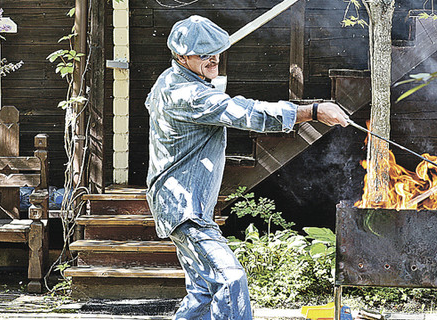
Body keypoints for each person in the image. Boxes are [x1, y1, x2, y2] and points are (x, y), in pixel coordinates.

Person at [145, 15, 350, 319]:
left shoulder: (174, 79)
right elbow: (246, 114)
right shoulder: (187, 94)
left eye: (216, 51)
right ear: (181, 55)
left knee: (203, 292)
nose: (213, 59)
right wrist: (314, 111)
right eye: (204, 54)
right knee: (230, 279)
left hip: (180, 204)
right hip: (184, 208)